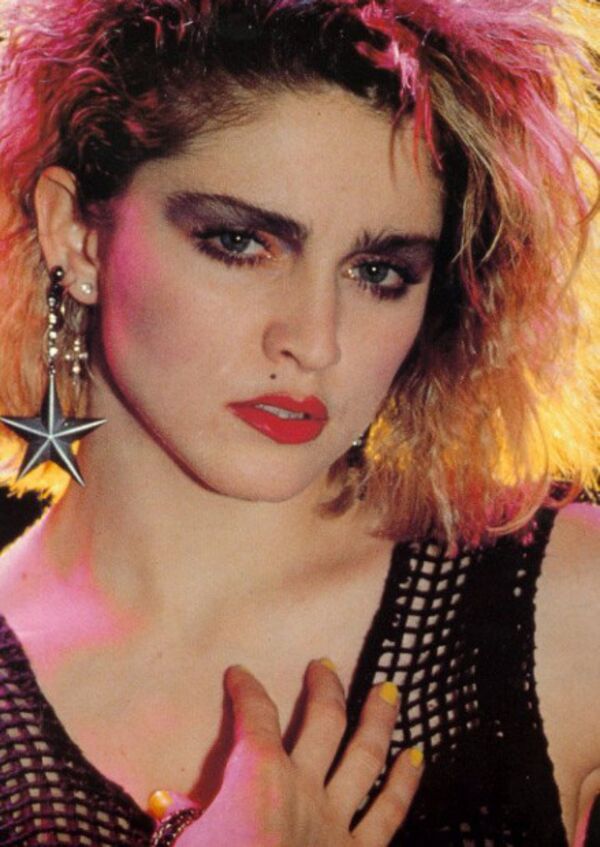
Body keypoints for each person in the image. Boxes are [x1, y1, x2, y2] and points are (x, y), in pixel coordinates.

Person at [0, 0, 598, 844]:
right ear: (78, 235)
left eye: (379, 271)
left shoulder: (570, 603)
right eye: (241, 243)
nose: (316, 341)